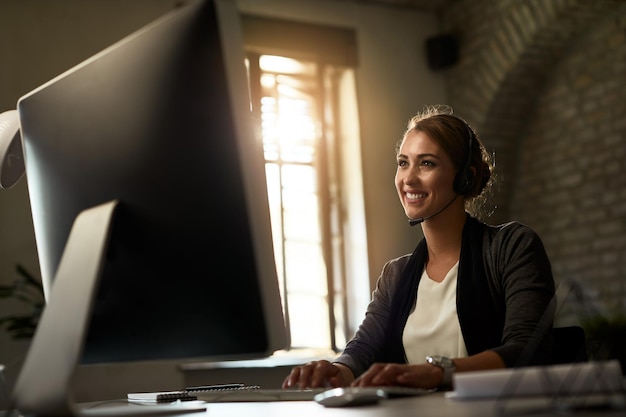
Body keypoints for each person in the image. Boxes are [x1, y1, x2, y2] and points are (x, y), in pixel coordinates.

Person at [282, 105, 556, 391]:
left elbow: (527, 348)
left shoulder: (512, 246)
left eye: (426, 163)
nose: (408, 179)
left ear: (464, 177)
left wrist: (439, 372)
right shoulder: (396, 274)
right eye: (403, 163)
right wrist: (336, 371)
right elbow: (362, 351)